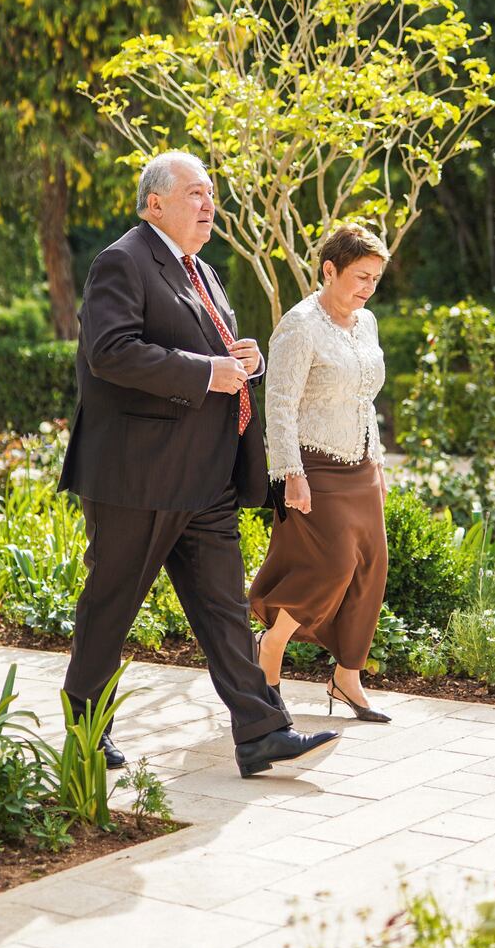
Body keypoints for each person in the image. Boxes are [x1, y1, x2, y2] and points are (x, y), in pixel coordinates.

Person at [57, 150, 338, 777]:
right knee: (113, 603)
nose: (208, 204)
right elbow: (110, 352)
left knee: (222, 609)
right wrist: (207, 370)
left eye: (210, 193)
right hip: (139, 476)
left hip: (205, 477)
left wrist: (246, 362)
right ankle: (84, 727)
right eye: (194, 193)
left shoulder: (202, 272)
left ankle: (262, 732)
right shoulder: (122, 261)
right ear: (155, 202)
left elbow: (214, 358)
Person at [249, 224, 392, 723]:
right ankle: (271, 646)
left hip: (361, 465)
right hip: (313, 464)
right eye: (359, 276)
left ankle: (346, 676)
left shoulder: (366, 322)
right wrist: (289, 472)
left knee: (372, 568)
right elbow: (280, 403)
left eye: (374, 279)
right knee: (331, 566)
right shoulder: (299, 324)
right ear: (329, 270)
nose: (367, 288)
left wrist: (377, 460)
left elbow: (363, 398)